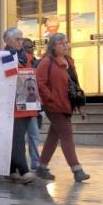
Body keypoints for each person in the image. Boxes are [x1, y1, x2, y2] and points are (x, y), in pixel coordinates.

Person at [35, 33, 90, 182]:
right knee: (66, 134)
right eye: (61, 43)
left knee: (54, 136)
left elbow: (74, 83)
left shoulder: (69, 61)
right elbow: (40, 83)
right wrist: (50, 99)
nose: (65, 45)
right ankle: (77, 170)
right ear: (52, 46)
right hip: (54, 105)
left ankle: (41, 167)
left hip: (67, 104)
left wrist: (79, 103)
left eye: (66, 43)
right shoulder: (46, 62)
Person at [3, 27, 36, 184]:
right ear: (7, 41)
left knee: (17, 138)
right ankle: (24, 170)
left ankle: (10, 169)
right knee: (17, 139)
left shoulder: (27, 57)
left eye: (22, 39)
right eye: (17, 39)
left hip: (28, 103)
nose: (21, 42)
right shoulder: (4, 57)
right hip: (12, 106)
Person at [23, 38, 41, 170]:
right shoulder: (20, 60)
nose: (30, 49)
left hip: (33, 104)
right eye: (27, 47)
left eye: (31, 46)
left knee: (33, 134)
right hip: (22, 104)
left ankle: (35, 162)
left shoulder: (36, 62)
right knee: (29, 135)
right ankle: (23, 163)